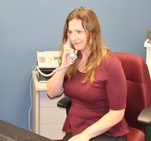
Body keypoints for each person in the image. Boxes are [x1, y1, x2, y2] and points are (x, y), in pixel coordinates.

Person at [47, 7, 129, 141]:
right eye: (70, 32)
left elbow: (117, 113)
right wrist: (63, 66)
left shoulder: (111, 64)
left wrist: (85, 136)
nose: (73, 38)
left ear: (93, 33)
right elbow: (52, 92)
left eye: (79, 32)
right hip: (77, 129)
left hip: (105, 132)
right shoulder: (73, 58)